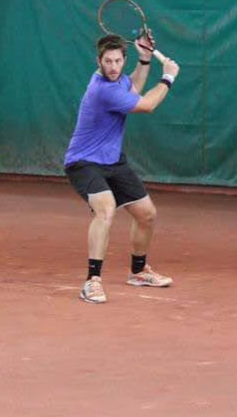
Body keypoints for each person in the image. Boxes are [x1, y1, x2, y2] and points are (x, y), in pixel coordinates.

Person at [64, 32, 180, 303]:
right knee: (105, 210)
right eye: (108, 61)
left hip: (113, 160)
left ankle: (138, 272)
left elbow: (133, 89)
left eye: (118, 61)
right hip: (84, 162)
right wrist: (168, 76)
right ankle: (92, 281)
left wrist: (144, 59)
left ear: (123, 60)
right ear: (99, 62)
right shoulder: (102, 89)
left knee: (146, 215)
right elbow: (147, 104)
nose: (113, 67)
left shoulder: (117, 82)